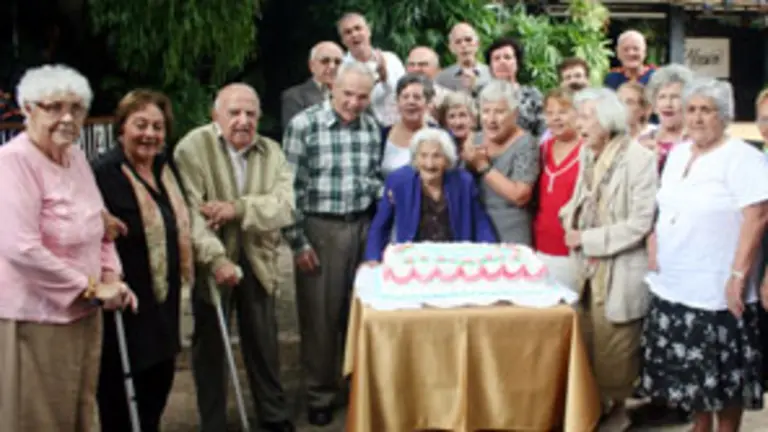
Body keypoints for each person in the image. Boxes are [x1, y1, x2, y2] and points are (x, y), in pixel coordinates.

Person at [0, 64, 137, 431]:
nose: (67, 117)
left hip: (85, 314)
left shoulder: (76, 158)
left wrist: (111, 275)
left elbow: (101, 223)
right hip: (36, 318)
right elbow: (21, 248)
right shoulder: (13, 163)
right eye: (54, 106)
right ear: (28, 109)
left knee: (79, 411)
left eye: (76, 108)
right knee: (39, 418)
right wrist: (90, 287)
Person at [638, 78, 768, 432]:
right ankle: (699, 427)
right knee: (691, 379)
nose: (696, 118)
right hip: (675, 284)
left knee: (724, 383)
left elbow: (757, 217)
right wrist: (654, 236)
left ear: (723, 116)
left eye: (706, 110)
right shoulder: (679, 153)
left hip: (718, 290)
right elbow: (665, 205)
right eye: (691, 109)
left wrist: (739, 275)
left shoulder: (743, 157)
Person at [174, 83, 296, 432]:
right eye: (234, 112)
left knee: (264, 342)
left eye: (251, 113)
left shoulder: (271, 151)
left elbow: (284, 206)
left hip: (258, 258)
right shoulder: (192, 148)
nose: (243, 121)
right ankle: (212, 422)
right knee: (210, 346)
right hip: (212, 261)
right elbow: (192, 214)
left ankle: (273, 417)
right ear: (216, 116)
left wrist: (236, 209)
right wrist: (215, 260)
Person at [282, 62, 382, 426]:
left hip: (362, 226)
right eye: (348, 94)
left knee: (358, 313)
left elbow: (369, 178)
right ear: (332, 89)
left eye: (362, 96)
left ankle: (356, 385)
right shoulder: (304, 125)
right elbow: (288, 190)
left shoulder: (371, 126)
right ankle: (319, 394)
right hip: (320, 229)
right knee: (320, 318)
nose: (354, 103)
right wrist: (297, 242)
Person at [92, 89, 193, 432]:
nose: (150, 134)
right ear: (122, 128)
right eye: (141, 125)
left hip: (163, 301)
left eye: (158, 126)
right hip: (126, 306)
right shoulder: (104, 172)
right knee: (120, 399)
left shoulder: (166, 169)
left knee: (157, 388)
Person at [560, 87, 658, 431]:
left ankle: (618, 412)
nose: (578, 123)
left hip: (620, 266)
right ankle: (592, 408)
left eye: (586, 117)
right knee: (587, 338)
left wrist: (587, 238)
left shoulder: (640, 159)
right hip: (586, 268)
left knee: (617, 345)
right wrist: (568, 219)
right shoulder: (587, 154)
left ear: (608, 119)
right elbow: (578, 199)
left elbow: (641, 223)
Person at [364, 128, 497, 261]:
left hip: (455, 257)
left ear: (447, 159)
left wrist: (489, 253)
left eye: (436, 156)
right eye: (423, 155)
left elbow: (480, 221)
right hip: (414, 259)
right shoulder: (399, 181)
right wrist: (373, 258)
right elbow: (380, 225)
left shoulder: (463, 182)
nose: (429, 163)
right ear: (415, 159)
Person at [462, 79, 540, 245]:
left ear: (515, 114)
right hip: (477, 227)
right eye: (486, 111)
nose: (491, 119)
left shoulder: (526, 143)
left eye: (499, 112)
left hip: (511, 231)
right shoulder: (474, 139)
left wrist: (483, 166)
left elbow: (520, 196)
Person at [533, 89, 581, 290]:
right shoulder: (542, 149)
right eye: (550, 113)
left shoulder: (587, 150)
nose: (556, 118)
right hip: (541, 245)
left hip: (573, 249)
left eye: (563, 111)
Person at [484, 37, 545, 137]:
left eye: (507, 57)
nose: (502, 61)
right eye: (496, 58)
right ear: (490, 66)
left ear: (517, 63)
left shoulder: (532, 95)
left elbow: (544, 132)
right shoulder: (481, 96)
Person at [638, 64, 694, 171]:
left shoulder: (698, 141)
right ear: (654, 104)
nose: (668, 104)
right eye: (662, 97)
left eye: (675, 97)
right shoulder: (643, 141)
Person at [380, 73, 436, 177]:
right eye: (405, 97)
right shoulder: (382, 135)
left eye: (417, 97)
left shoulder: (439, 136)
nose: (410, 102)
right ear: (397, 102)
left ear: (428, 103)